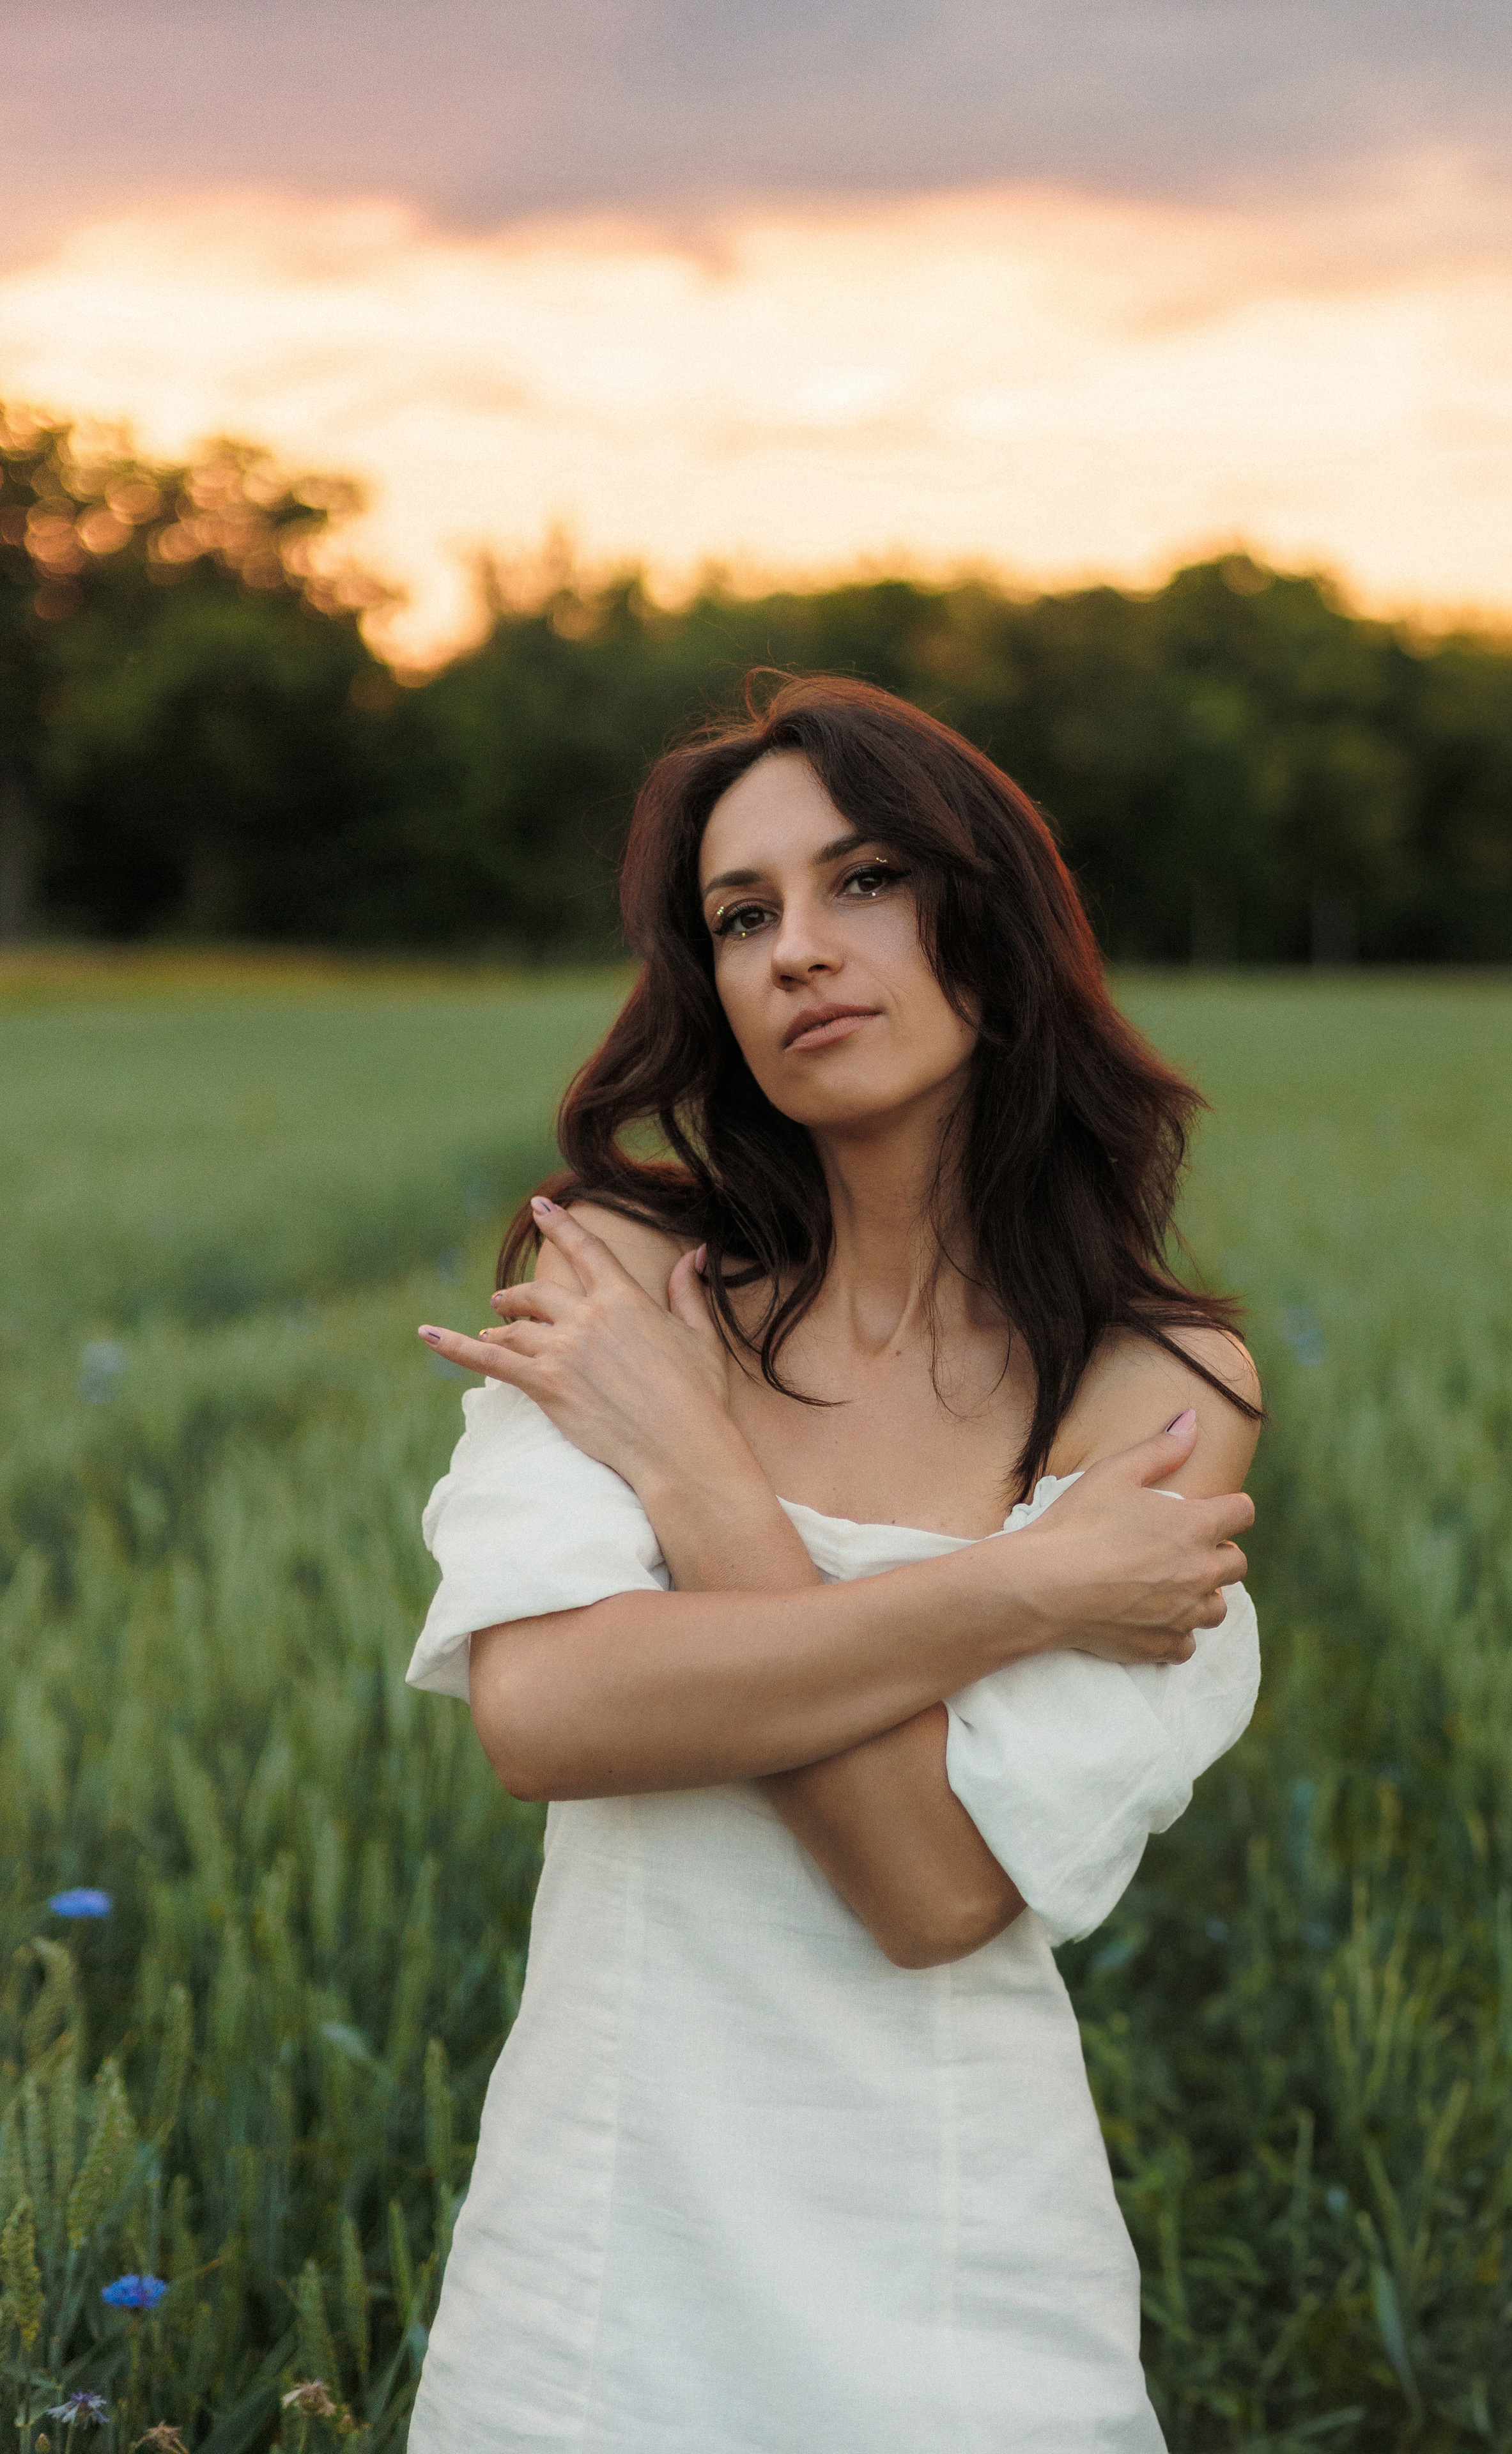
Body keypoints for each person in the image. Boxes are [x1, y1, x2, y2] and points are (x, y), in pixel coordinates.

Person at [404, 674, 1261, 2453]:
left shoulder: (1153, 1384)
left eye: (861, 881)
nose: (798, 948)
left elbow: (937, 1889)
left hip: (955, 2257)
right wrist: (1016, 1590)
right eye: (742, 915)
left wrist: (695, 1483)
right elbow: (548, 1709)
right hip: (599, 2261)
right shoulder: (622, 1278)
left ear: (992, 923)